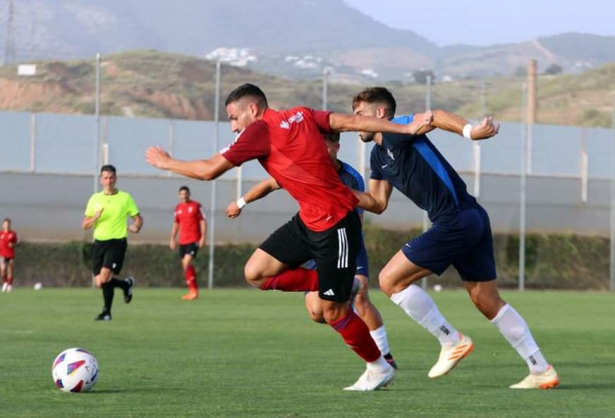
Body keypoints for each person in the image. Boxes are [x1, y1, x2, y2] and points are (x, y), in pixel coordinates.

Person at [145, 83, 430, 391]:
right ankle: (333, 283)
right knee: (255, 272)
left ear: (252, 109)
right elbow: (352, 122)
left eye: (233, 117)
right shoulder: (302, 115)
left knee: (331, 311)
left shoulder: (258, 131)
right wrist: (405, 127)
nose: (233, 127)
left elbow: (209, 170)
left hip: (337, 224)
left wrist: (167, 163)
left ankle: (378, 366)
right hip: (307, 222)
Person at [350, 87, 559, 389]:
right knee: (487, 301)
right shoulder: (378, 155)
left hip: (457, 219)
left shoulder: (400, 128)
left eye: (359, 114)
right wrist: (335, 190)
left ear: (380, 113)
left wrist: (471, 131)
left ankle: (451, 340)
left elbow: (434, 117)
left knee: (390, 281)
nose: (354, 121)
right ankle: (541, 369)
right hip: (470, 218)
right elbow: (377, 203)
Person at [225, 132, 398, 369]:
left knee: (360, 296)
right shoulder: (305, 168)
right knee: (318, 312)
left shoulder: (349, 178)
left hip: (345, 241)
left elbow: (356, 221)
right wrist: (241, 202)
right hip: (314, 240)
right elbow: (269, 183)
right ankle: (342, 296)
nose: (320, 151)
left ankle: (384, 355)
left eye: (325, 146)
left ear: (336, 147)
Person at [82, 164, 143, 321]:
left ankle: (106, 312)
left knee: (104, 276)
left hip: (117, 242)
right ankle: (125, 285)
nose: (108, 181)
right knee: (100, 282)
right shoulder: (95, 199)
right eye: (105, 178)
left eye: (111, 178)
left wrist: (136, 226)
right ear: (101, 180)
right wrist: (95, 218)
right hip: (98, 243)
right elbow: (85, 224)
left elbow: (138, 217)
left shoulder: (125, 198)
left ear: (115, 179)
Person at [170, 185, 207, 300]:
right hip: (182, 241)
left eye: (186, 193)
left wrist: (203, 237)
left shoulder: (196, 206)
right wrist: (172, 238)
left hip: (194, 239)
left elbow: (203, 221)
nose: (184, 196)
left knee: (186, 263)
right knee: (186, 266)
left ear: (189, 194)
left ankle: (194, 291)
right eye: (182, 194)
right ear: (179, 195)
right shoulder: (178, 208)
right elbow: (176, 223)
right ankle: (193, 291)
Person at [0, 218, 19, 293]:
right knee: (3, 269)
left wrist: (13, 244)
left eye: (7, 224)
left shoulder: (13, 234)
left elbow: (17, 242)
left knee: (10, 269)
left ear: (9, 225)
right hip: (2, 254)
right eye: (5, 224)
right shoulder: (0, 233)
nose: (6, 225)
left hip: (10, 254)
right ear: (3, 225)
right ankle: (5, 282)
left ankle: (9, 285)